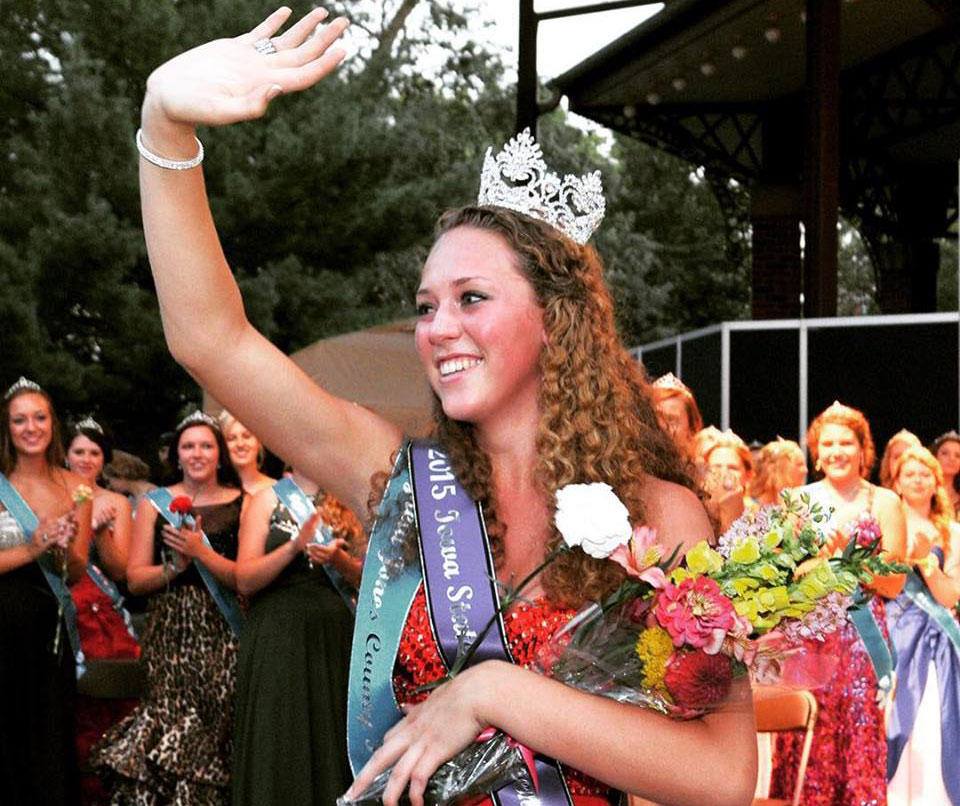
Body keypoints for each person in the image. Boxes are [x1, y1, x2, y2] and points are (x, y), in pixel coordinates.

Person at [127, 8, 757, 806]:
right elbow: (211, 340)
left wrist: (496, 694)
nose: (438, 329)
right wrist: (165, 129)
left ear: (555, 322)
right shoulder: (396, 479)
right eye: (427, 306)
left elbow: (726, 775)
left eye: (471, 298)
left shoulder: (658, 516)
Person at [91, 411, 244, 806]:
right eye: (188, 446)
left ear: (219, 453)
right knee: (172, 721)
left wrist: (201, 556)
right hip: (171, 629)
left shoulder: (244, 502)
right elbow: (135, 579)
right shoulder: (155, 504)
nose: (197, 453)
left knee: (218, 725)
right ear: (176, 455)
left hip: (225, 629)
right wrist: (175, 568)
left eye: (206, 445)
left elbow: (246, 576)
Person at [770, 401, 906, 806]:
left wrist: (848, 564)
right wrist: (819, 566)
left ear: (864, 450)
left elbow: (895, 582)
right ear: (815, 452)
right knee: (805, 742)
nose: (836, 451)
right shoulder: (797, 500)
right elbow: (783, 576)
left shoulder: (884, 502)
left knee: (857, 741)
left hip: (862, 646)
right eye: (827, 443)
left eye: (846, 442)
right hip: (809, 640)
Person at [233, 468, 363, 806]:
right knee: (278, 732)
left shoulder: (349, 495)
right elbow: (244, 581)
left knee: (328, 735)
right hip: (278, 634)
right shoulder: (267, 499)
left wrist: (339, 560)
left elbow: (371, 581)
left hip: (333, 636)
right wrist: (293, 548)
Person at [0, 377, 93, 806]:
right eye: (20, 420)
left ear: (53, 424)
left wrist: (63, 549)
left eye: (39, 417)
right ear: (7, 427)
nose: (31, 427)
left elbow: (74, 573)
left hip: (49, 632)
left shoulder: (76, 487)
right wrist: (31, 547)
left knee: (50, 736)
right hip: (3, 627)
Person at [65, 418, 141, 806]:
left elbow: (120, 570)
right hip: (58, 598)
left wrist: (101, 531)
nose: (86, 458)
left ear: (104, 459)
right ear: (65, 453)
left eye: (94, 452)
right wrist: (81, 522)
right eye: (79, 450)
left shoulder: (116, 502)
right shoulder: (47, 492)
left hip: (99, 604)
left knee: (108, 695)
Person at [886, 446, 960, 806]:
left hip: (937, 647)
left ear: (936, 482)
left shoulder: (952, 533)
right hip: (891, 639)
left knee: (932, 726)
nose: (916, 479)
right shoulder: (885, 523)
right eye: (908, 474)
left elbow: (948, 598)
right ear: (896, 483)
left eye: (924, 473)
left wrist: (929, 561)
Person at [700, 430, 754, 534]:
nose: (724, 473)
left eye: (732, 468)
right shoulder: (696, 513)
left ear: (748, 475)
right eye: (716, 467)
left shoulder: (760, 517)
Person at [218, 410, 275, 496]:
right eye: (231, 439)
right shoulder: (213, 490)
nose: (240, 444)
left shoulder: (277, 490)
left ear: (259, 441)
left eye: (247, 436)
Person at [650, 373, 703, 465]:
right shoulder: (631, 471)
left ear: (690, 429)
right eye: (656, 419)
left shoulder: (702, 476)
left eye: (671, 420)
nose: (662, 426)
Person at [748, 437, 807, 507]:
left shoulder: (807, 502)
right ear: (781, 467)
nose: (805, 470)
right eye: (799, 465)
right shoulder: (752, 507)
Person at [931, 430, 960, 515]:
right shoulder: (924, 492)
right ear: (935, 456)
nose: (952, 458)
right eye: (945, 453)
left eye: (958, 455)